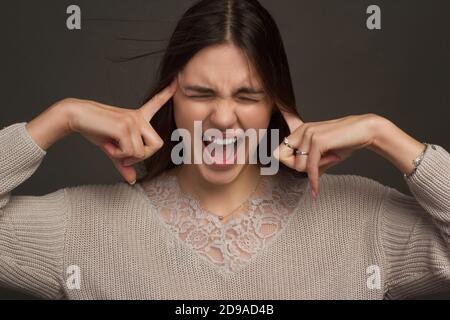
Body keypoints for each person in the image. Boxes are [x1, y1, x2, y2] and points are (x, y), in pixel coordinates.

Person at [1, 0, 449, 299]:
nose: (222, 118)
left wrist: (382, 134)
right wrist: (60, 119)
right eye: (200, 93)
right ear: (169, 99)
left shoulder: (361, 219)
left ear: (276, 103)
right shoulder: (82, 227)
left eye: (247, 96)